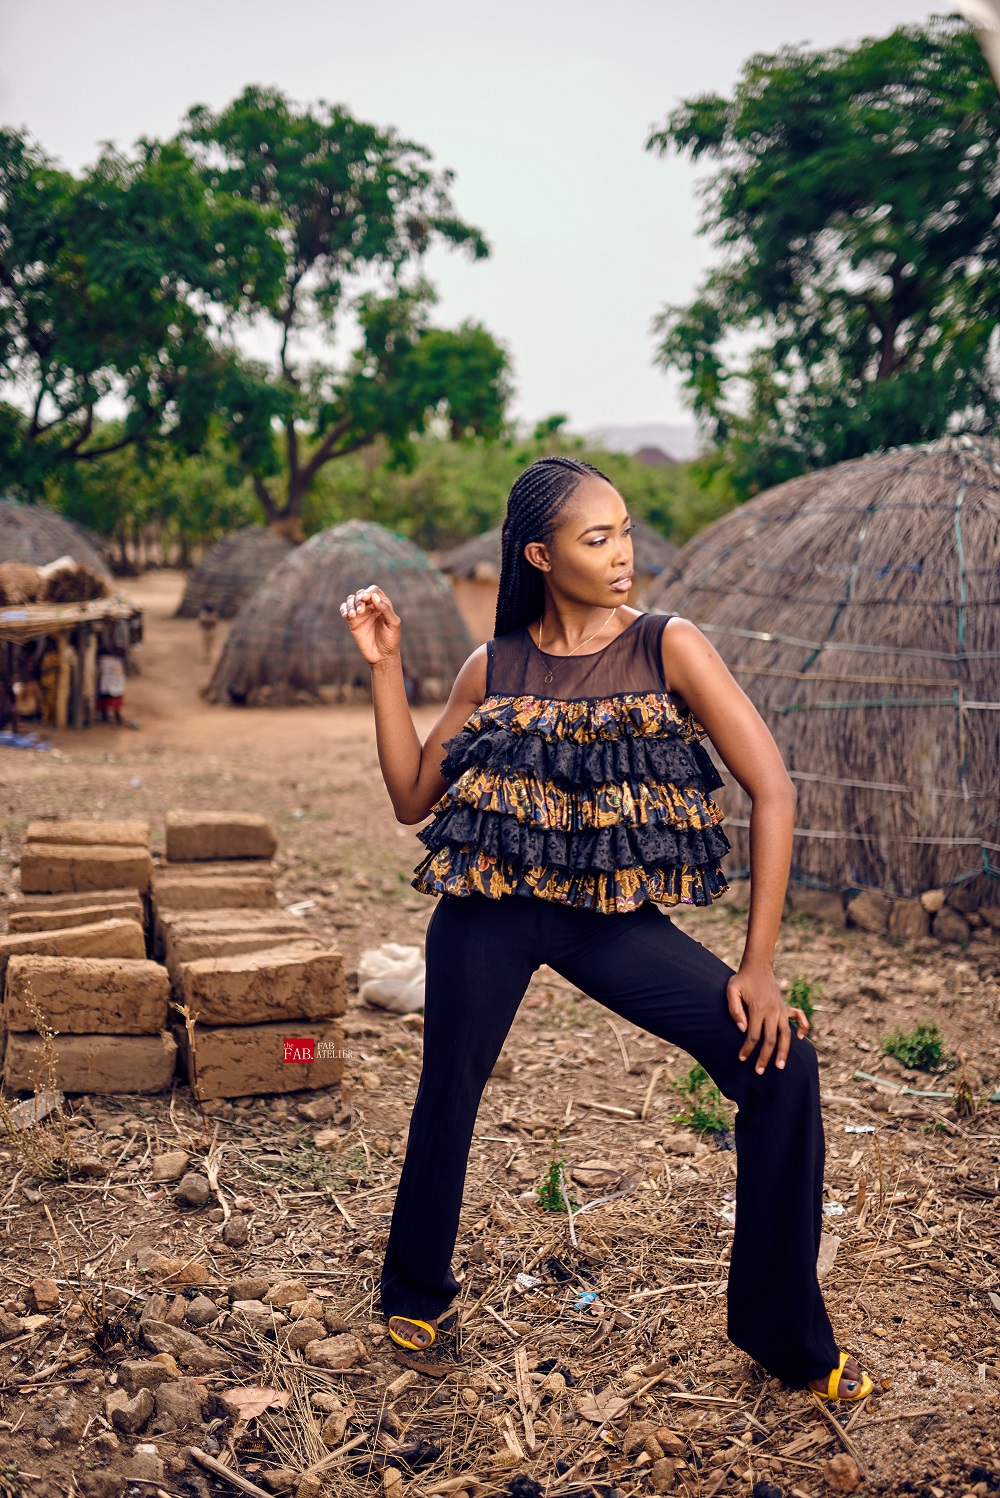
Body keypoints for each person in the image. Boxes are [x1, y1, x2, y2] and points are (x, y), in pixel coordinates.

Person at [339, 455, 873, 1404]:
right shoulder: (494, 666)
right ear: (542, 556)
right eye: (597, 539)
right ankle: (415, 1288)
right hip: (487, 916)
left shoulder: (670, 647)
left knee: (783, 1066)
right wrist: (385, 671)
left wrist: (757, 966)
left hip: (610, 923)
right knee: (447, 1093)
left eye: (624, 532)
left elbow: (775, 790)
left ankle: (783, 1334)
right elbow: (412, 796)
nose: (623, 554)